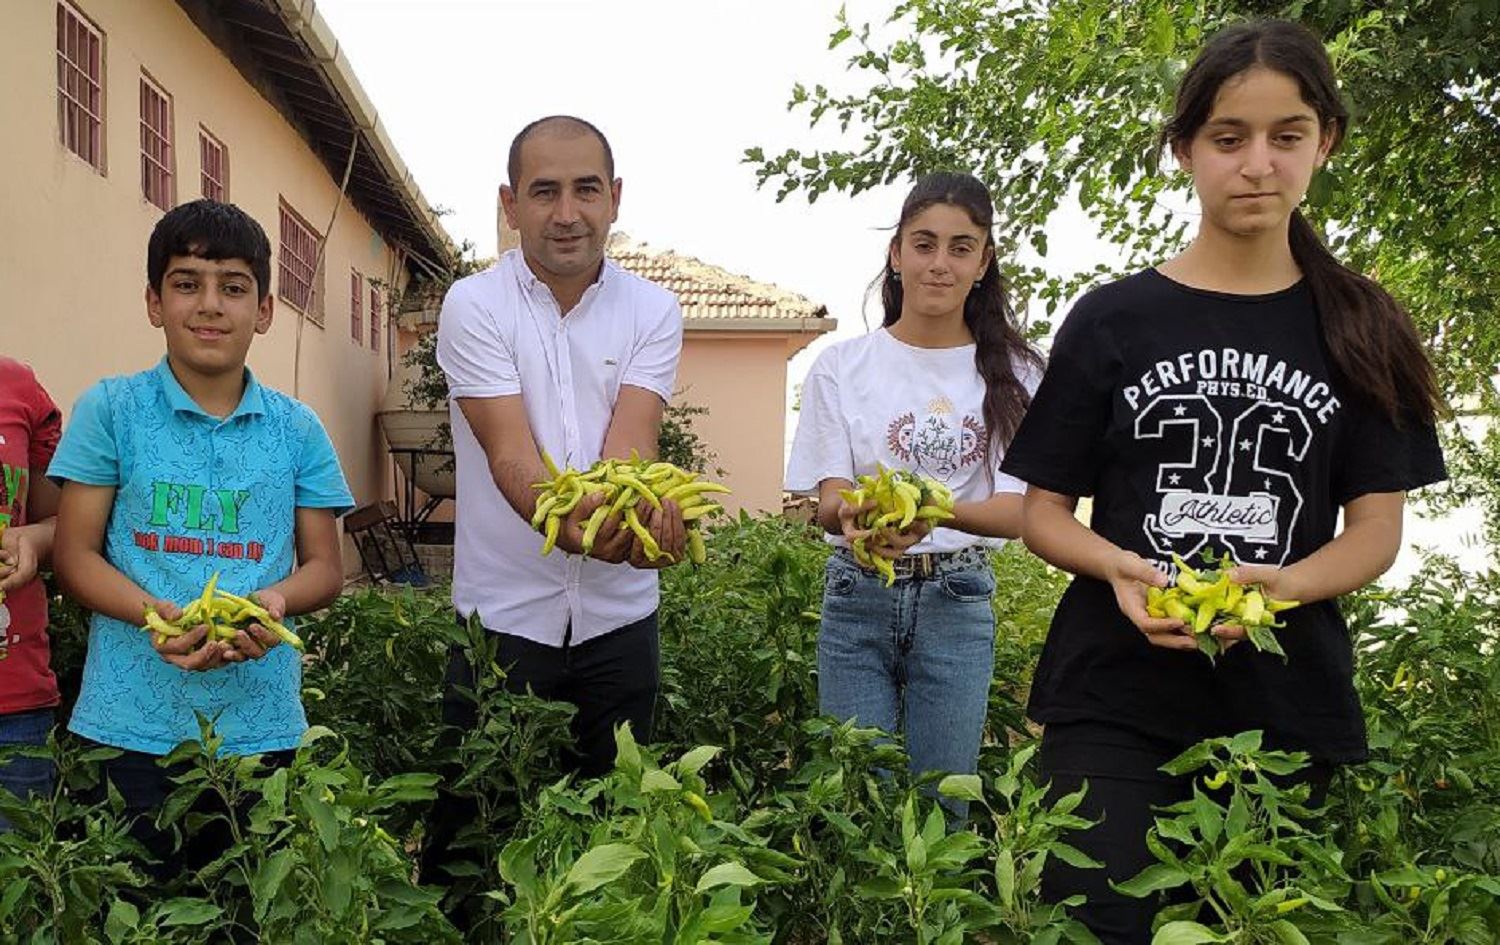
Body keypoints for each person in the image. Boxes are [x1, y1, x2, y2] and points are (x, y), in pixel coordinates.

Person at [998, 20, 1447, 943]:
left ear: (1324, 141)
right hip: (1111, 699)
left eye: (1286, 137)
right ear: (1186, 151)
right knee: (1099, 925)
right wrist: (1122, 567)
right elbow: (1045, 511)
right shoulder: (1113, 317)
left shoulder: (1364, 325)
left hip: (1282, 713)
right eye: (1228, 138)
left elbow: (1374, 532)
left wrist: (1284, 584)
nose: (1257, 165)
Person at [48, 199, 353, 866]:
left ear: (264, 311)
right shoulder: (112, 410)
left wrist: (273, 604)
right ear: (154, 301)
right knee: (130, 913)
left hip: (260, 726)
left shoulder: (297, 428)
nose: (210, 304)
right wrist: (152, 613)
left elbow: (324, 566)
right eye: (187, 283)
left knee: (248, 913)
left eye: (233, 287)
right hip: (127, 727)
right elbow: (74, 554)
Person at [422, 115, 684, 882]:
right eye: (544, 192)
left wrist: (634, 516)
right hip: (502, 624)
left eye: (585, 190)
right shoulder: (474, 306)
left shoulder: (652, 312)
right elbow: (510, 455)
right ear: (511, 204)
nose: (566, 213)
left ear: (615, 198)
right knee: (471, 845)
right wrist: (583, 527)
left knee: (615, 841)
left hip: (620, 620)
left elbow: (632, 442)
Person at [785, 172, 1043, 813]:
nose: (940, 263)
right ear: (896, 254)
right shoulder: (841, 366)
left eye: (961, 247)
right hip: (856, 592)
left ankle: (932, 919)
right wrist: (858, 514)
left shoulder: (1019, 372)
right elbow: (828, 500)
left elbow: (1020, 512)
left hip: (958, 596)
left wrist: (933, 514)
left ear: (983, 262)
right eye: (923, 244)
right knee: (858, 797)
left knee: (944, 803)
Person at [0, 356, 63, 824]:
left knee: (21, 888)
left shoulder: (18, 387)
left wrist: (34, 541)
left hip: (12, 709)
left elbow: (68, 526)